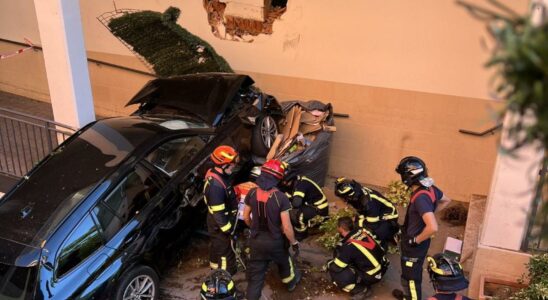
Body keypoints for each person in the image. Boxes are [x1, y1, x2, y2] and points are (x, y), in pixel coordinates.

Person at [392, 156, 452, 300]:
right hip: (418, 241)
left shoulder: (420, 198)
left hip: (415, 245)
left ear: (407, 177)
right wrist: (427, 213)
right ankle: (408, 296)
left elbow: (433, 228)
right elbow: (446, 200)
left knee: (411, 277)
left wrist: (415, 241)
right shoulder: (430, 187)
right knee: (409, 272)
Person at [243, 159, 301, 300]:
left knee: (256, 277)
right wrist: (293, 242)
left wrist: (254, 229)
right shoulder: (281, 198)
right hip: (275, 243)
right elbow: (286, 227)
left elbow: (245, 217)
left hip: (256, 241)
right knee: (285, 263)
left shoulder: (251, 193)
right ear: (278, 178)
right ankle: (291, 284)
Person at [326, 216, 389, 298]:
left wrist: (329, 264)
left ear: (341, 228)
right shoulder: (363, 231)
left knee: (337, 273)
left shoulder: (348, 246)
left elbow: (337, 267)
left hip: (372, 276)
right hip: (383, 267)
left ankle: (361, 289)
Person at [204, 145, 240, 275]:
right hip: (220, 225)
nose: (233, 166)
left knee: (216, 247)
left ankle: (214, 269)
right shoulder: (216, 187)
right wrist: (229, 231)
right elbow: (219, 214)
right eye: (231, 165)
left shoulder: (217, 174)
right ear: (222, 165)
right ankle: (223, 281)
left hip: (217, 222)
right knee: (225, 254)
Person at [335, 177, 399, 248]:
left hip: (389, 216)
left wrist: (357, 226)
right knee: (358, 228)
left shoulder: (368, 203)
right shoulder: (357, 194)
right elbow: (362, 213)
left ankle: (392, 232)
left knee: (373, 236)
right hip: (375, 213)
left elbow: (372, 224)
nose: (342, 200)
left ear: (349, 196)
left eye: (342, 197)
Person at [282, 167, 329, 240]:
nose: (284, 184)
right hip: (309, 205)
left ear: (292, 179)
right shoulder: (293, 184)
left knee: (296, 214)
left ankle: (301, 235)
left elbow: (296, 203)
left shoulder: (302, 184)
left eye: (286, 182)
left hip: (320, 209)